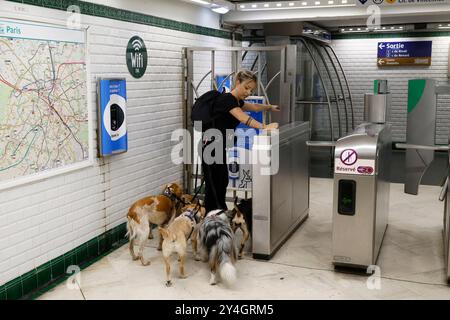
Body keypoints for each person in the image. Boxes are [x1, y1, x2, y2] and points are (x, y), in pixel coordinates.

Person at [202, 70, 279, 213]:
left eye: (251, 89)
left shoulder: (235, 101)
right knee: (214, 183)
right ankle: (212, 215)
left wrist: (269, 107)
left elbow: (254, 107)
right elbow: (243, 118)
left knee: (222, 180)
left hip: (218, 145)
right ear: (237, 82)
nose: (248, 92)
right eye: (246, 87)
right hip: (211, 145)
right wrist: (264, 127)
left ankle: (219, 210)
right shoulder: (227, 100)